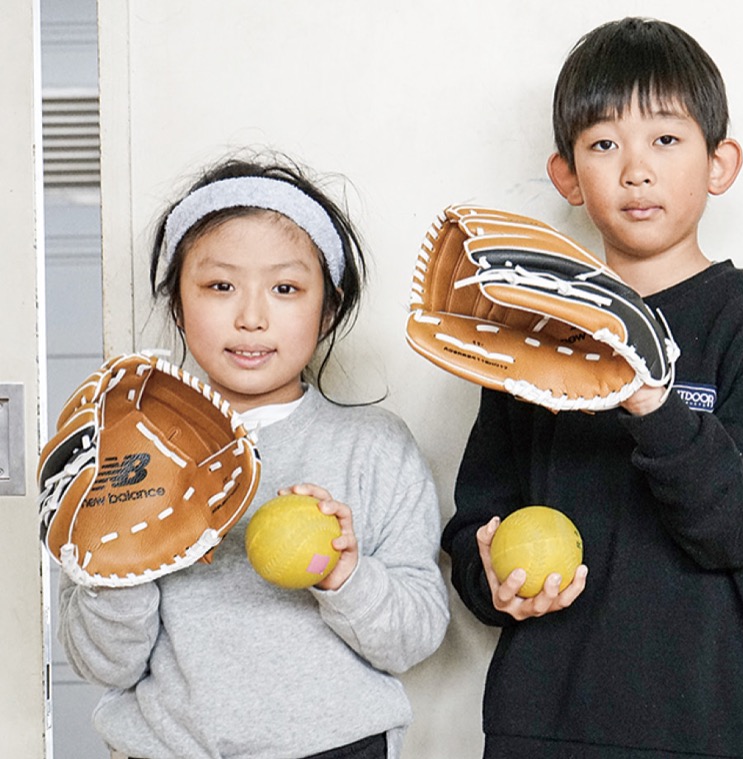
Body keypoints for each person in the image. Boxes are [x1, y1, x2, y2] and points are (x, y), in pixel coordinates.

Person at [440, 17, 743, 759]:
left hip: (714, 726)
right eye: (604, 144)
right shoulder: (528, 326)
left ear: (720, 162)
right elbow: (476, 521)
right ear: (567, 176)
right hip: (543, 726)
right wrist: (493, 580)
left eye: (665, 139)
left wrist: (649, 397)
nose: (635, 170)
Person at [57, 154, 450, 759]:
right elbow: (105, 666)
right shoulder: (123, 451)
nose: (251, 317)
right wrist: (123, 560)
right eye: (220, 286)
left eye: (285, 289)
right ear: (177, 303)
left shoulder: (374, 447)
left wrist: (343, 573)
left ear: (329, 309)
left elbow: (414, 637)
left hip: (339, 747)